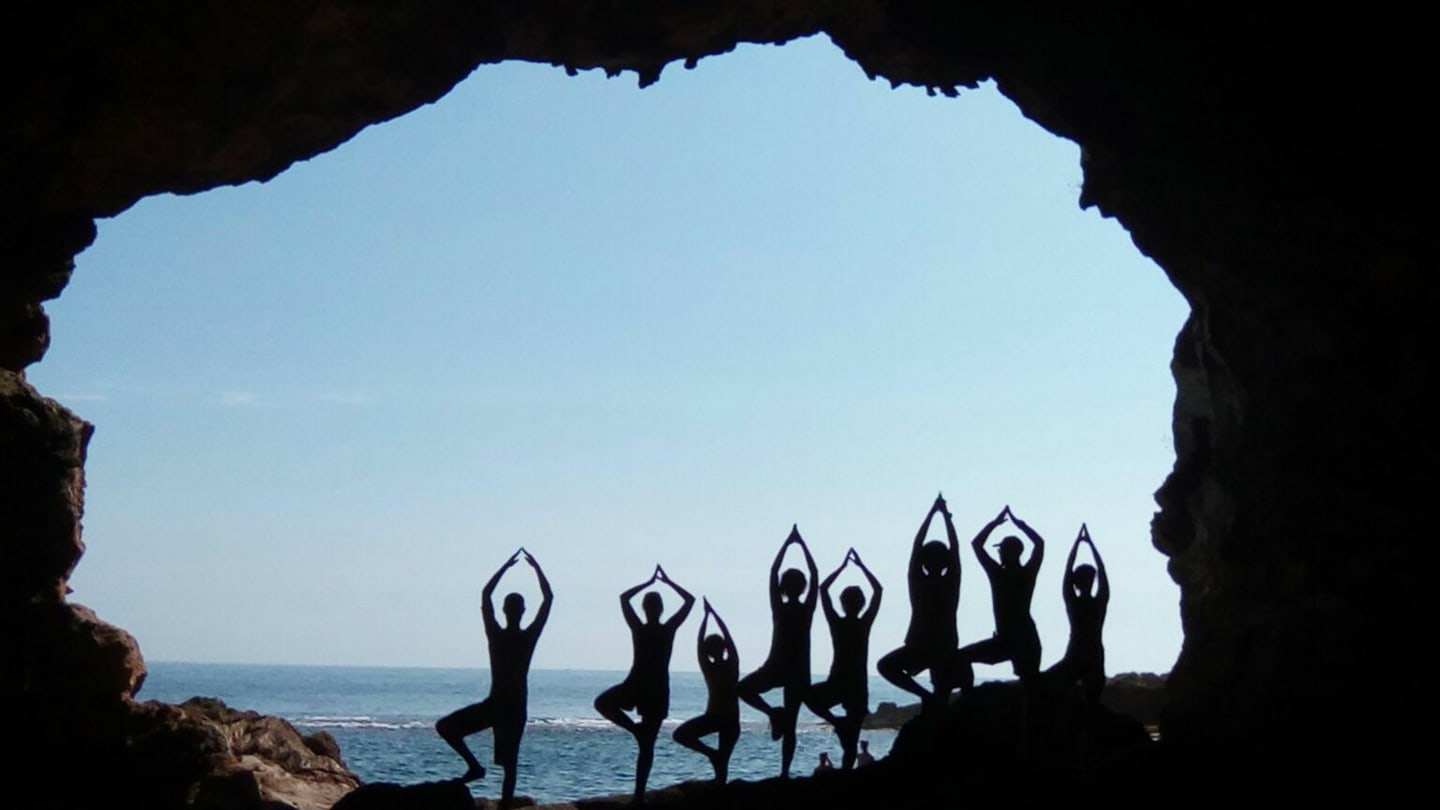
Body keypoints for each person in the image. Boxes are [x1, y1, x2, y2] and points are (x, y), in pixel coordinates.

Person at [436, 549, 553, 808]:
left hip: (502, 705)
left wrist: (505, 567)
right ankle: (481, 775)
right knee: (508, 766)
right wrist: (536, 568)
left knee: (450, 730)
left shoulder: (499, 635)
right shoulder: (525, 637)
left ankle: (478, 770)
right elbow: (548, 599)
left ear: (505, 610)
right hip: (507, 705)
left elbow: (486, 595)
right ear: (523, 611)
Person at [595, 565, 695, 804]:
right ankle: (638, 788)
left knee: (645, 743)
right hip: (647, 683)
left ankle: (639, 794)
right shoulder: (661, 629)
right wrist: (665, 582)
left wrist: (650, 583)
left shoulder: (647, 628)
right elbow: (689, 600)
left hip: (646, 683)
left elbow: (624, 598)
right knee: (642, 740)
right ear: (658, 609)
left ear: (647, 609)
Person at [738, 525, 818, 778]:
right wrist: (801, 545)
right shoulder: (805, 609)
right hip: (795, 669)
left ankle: (773, 714)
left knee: (743, 689)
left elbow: (773, 572)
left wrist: (788, 544)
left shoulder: (781, 608)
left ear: (784, 587)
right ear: (802, 587)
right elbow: (815, 574)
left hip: (779, 665)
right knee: (790, 725)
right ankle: (784, 771)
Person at [878, 494, 963, 715]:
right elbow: (954, 549)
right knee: (941, 695)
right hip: (942, 645)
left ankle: (926, 697)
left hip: (923, 645)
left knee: (886, 667)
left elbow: (918, 547)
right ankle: (930, 700)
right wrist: (945, 517)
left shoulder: (920, 582)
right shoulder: (950, 582)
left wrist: (933, 514)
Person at [805, 548, 882, 770]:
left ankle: (836, 722)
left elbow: (823, 589)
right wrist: (861, 566)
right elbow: (878, 590)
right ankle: (846, 772)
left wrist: (842, 567)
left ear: (843, 603)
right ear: (861, 604)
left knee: (806, 695)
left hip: (838, 680)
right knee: (850, 745)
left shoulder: (837, 624)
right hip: (857, 684)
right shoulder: (863, 624)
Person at [955, 506, 1044, 682]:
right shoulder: (1027, 573)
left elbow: (977, 544)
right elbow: (1039, 544)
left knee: (962, 657)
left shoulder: (998, 574)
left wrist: (995, 523)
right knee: (1030, 686)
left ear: (1004, 552)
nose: (999, 554)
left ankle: (968, 693)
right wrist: (1021, 525)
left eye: (1000, 550)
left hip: (1010, 640)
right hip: (1025, 639)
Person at [673, 599, 740, 783]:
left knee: (682, 736)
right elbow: (728, 638)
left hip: (720, 718)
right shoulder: (731, 665)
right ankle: (713, 757)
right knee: (722, 762)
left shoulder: (711, 668)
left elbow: (700, 645)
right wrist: (713, 615)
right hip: (725, 718)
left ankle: (712, 756)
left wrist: (706, 617)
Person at [1046, 524, 1110, 703]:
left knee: (1046, 685)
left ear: (1075, 583)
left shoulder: (1073, 602)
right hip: (1095, 656)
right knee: (1091, 704)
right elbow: (1102, 570)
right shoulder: (1099, 603)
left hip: (1075, 654)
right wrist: (1090, 544)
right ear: (1092, 581)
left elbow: (1068, 569)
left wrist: (1077, 543)